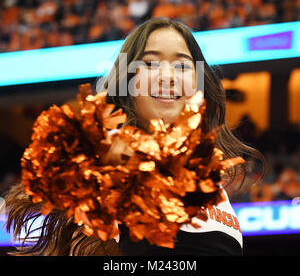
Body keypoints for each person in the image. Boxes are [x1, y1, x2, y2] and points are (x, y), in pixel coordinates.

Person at [5, 17, 264, 256]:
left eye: (182, 65)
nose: (168, 76)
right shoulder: (109, 168)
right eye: (149, 63)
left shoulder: (211, 180)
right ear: (128, 80)